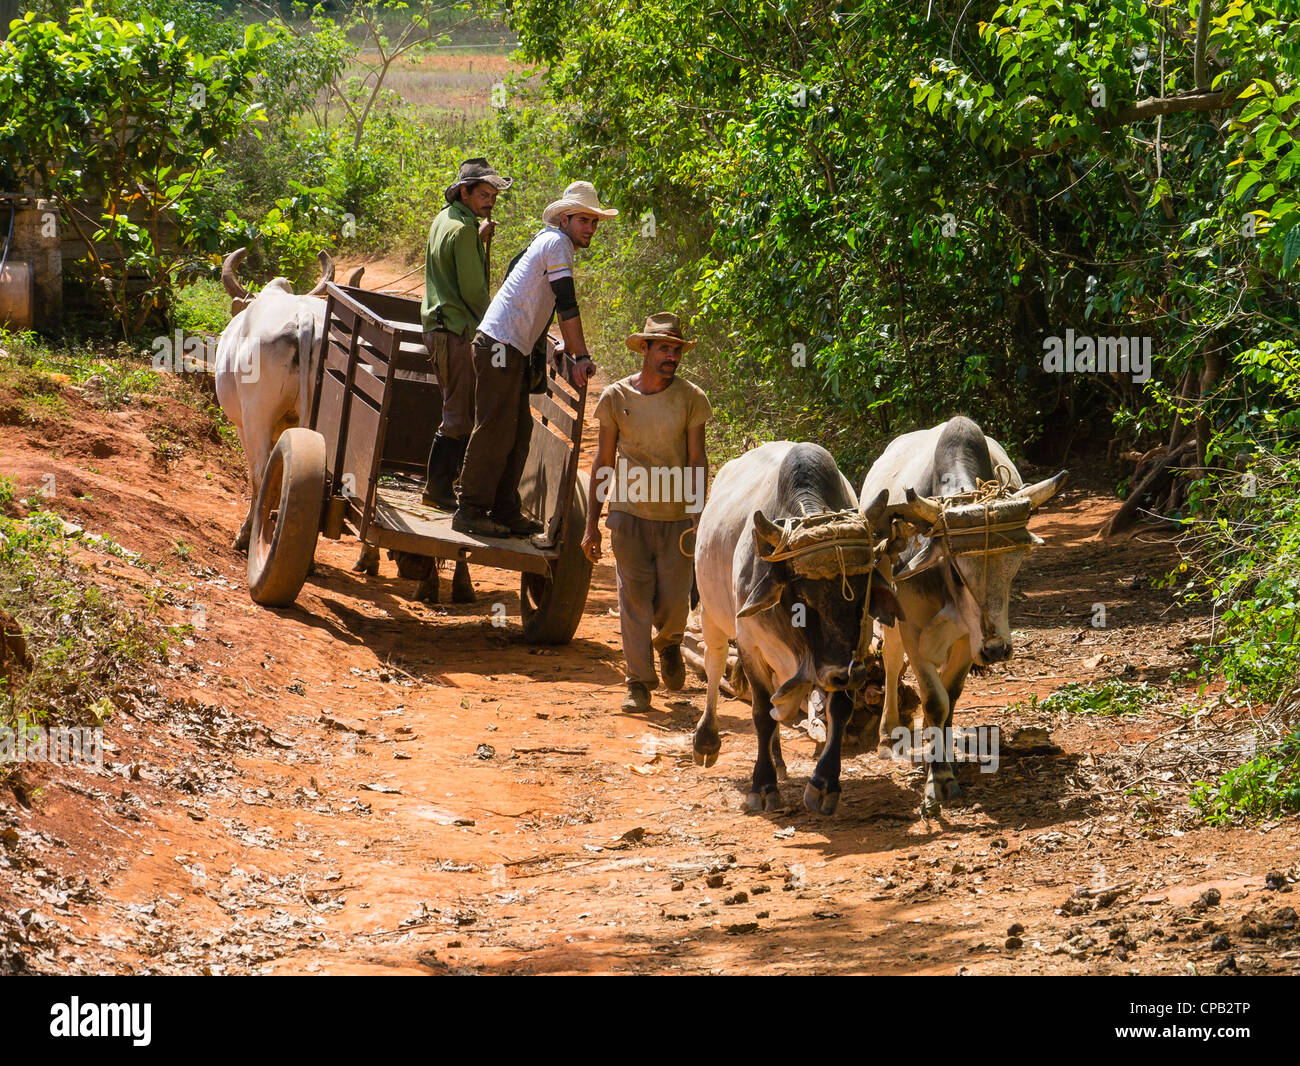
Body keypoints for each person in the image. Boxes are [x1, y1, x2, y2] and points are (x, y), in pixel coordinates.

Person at [453, 180, 610, 537]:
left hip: (511, 348)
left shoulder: (551, 243)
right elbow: (567, 304)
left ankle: (506, 508)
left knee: (520, 431)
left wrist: (553, 345)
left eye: (594, 222)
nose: (590, 228)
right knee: (494, 427)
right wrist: (580, 355)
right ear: (566, 219)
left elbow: (538, 303)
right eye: (584, 220)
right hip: (498, 346)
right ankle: (470, 508)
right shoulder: (556, 244)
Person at [582, 313, 711, 713]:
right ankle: (638, 682)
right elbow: (603, 462)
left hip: (676, 519)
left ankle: (670, 643)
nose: (672, 356)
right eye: (664, 349)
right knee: (633, 600)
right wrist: (591, 524)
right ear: (646, 350)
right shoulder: (616, 399)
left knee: (675, 603)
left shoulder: (692, 398)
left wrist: (697, 513)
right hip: (628, 514)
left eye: (676, 350)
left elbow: (696, 460)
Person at [420, 157, 513, 510]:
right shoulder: (462, 230)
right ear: (464, 192)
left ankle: (443, 486)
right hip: (455, 330)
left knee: (457, 408)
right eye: (484, 194)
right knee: (459, 413)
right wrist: (499, 324)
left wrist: (477, 238)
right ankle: (438, 490)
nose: (490, 201)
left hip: (441, 325)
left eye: (493, 195)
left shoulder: (448, 220)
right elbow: (474, 292)